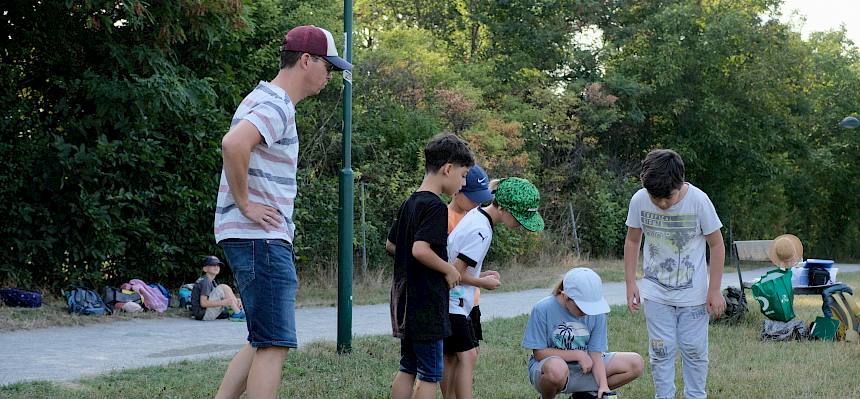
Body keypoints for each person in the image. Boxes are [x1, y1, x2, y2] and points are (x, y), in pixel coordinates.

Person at [212, 25, 351, 399]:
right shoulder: (276, 104)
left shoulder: (264, 98)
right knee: (274, 344)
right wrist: (245, 204)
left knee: (261, 339)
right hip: (261, 239)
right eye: (328, 67)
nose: (329, 76)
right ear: (306, 60)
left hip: (250, 237)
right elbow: (233, 144)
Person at [623, 149, 726, 399]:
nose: (662, 203)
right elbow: (632, 241)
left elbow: (717, 244)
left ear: (680, 182)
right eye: (655, 197)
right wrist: (630, 283)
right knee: (661, 350)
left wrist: (714, 289)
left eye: (667, 197)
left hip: (694, 295)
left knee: (693, 349)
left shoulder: (699, 201)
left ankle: (695, 395)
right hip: (656, 293)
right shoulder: (639, 200)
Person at [385, 133, 475, 399]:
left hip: (404, 299)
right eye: (463, 175)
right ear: (448, 169)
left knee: (408, 365)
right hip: (426, 302)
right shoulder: (435, 207)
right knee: (431, 373)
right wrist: (448, 269)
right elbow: (420, 249)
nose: (463, 182)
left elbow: (392, 245)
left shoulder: (410, 202)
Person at [442, 177, 545, 399]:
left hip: (456, 300)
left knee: (454, 356)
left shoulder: (477, 215)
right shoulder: (482, 231)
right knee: (467, 356)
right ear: (504, 209)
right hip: (453, 301)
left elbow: (459, 263)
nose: (521, 225)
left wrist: (481, 273)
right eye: (519, 219)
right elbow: (455, 273)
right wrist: (483, 283)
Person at [523, 268, 644, 399]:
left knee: (636, 363)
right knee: (556, 369)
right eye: (582, 307)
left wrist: (603, 385)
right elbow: (539, 353)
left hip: (586, 367)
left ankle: (586, 395)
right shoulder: (543, 308)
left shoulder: (596, 313)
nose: (586, 312)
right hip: (549, 370)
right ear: (566, 296)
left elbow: (595, 354)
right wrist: (577, 354)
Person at [191, 255, 245, 322]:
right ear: (205, 269)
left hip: (205, 313)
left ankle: (239, 311)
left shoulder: (211, 281)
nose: (216, 267)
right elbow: (203, 303)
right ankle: (238, 313)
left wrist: (235, 300)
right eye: (213, 265)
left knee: (225, 289)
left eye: (218, 265)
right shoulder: (205, 282)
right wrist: (224, 302)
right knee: (223, 287)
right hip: (203, 314)